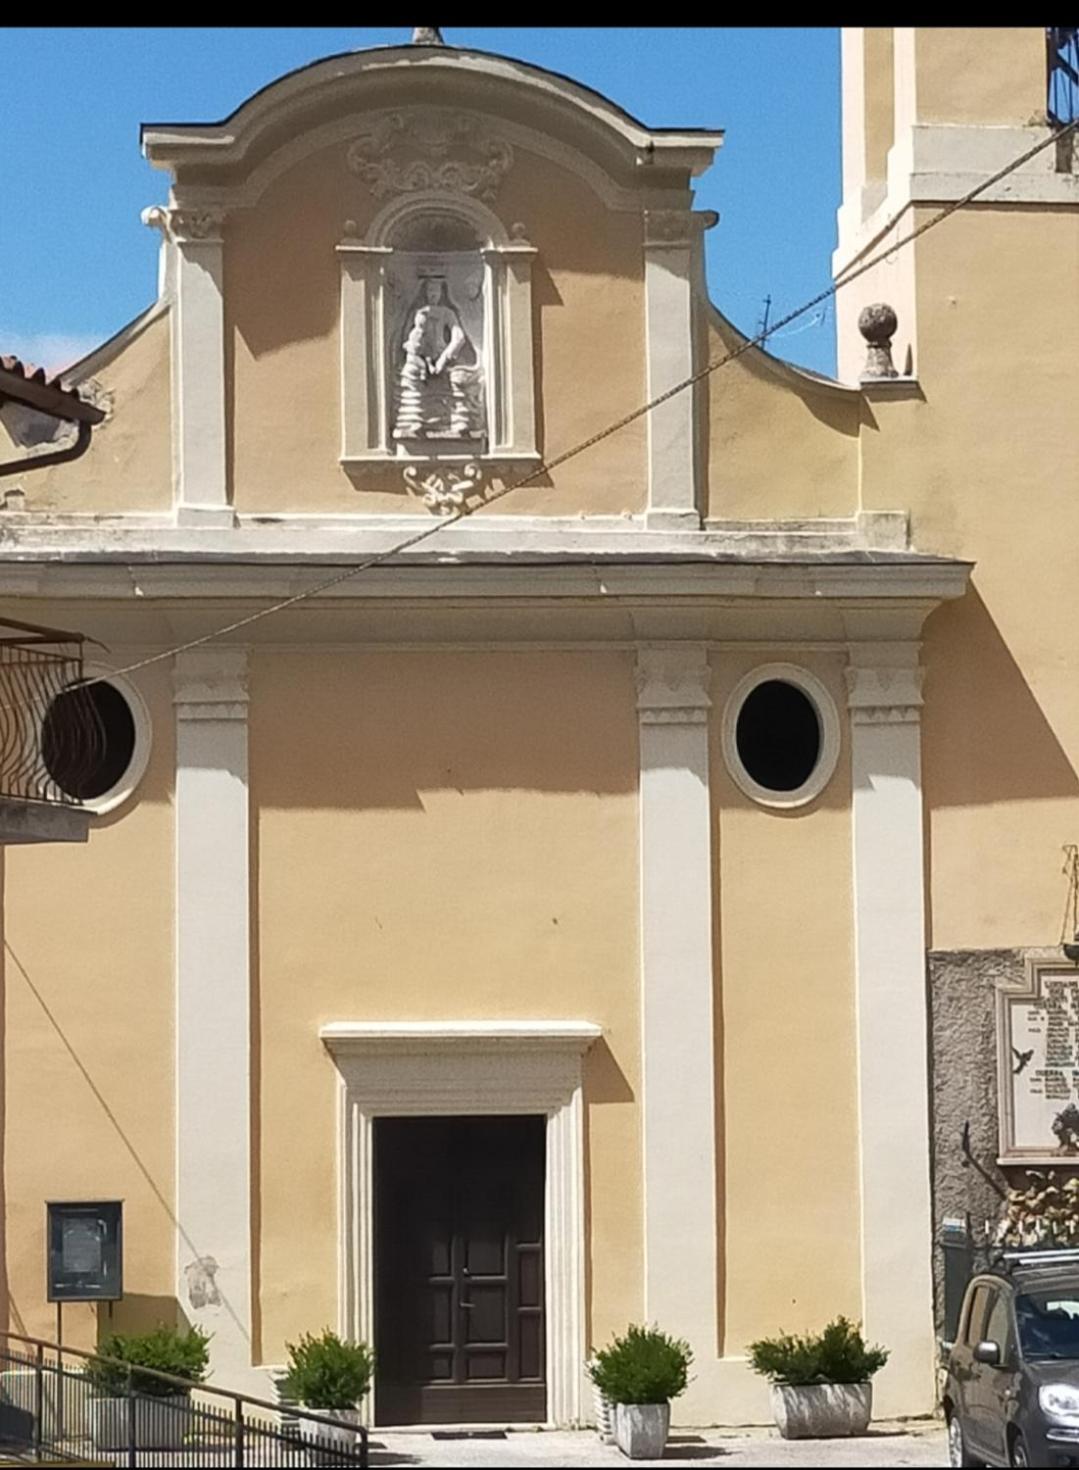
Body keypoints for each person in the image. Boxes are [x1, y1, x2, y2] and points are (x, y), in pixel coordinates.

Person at [392, 277, 483, 440]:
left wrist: (444, 358)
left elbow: (458, 336)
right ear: (425, 292)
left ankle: (459, 421)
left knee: (457, 378)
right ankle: (415, 419)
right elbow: (406, 338)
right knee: (411, 374)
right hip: (420, 359)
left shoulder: (447, 313)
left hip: (444, 358)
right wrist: (416, 349)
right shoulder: (417, 313)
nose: (433, 294)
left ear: (442, 293)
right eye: (430, 291)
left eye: (436, 291)